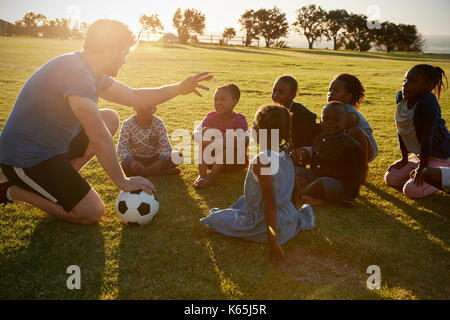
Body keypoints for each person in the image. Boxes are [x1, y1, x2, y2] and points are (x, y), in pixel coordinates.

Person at [0, 19, 212, 224]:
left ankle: (61, 180)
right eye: (125, 53)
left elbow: (134, 96)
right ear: (112, 51)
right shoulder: (77, 73)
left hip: (49, 147)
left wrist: (177, 89)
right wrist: (123, 181)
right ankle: (12, 190)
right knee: (92, 211)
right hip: (25, 159)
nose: (125, 60)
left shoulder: (89, 70)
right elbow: (98, 136)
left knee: (109, 118)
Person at [200, 105, 315, 265]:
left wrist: (272, 240)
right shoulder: (286, 155)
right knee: (243, 201)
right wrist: (292, 213)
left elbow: (270, 201)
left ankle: (260, 229)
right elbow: (293, 188)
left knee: (216, 219)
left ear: (258, 132)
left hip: (269, 225)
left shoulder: (263, 160)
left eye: (253, 126)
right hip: (288, 219)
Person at [385, 64, 450, 198]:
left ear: (427, 86)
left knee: (411, 190)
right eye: (405, 80)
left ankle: (443, 173)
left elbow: (427, 138)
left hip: (441, 156)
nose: (405, 85)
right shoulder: (402, 98)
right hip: (420, 155)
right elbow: (402, 129)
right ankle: (419, 167)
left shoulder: (427, 102)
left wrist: (422, 168)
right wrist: (404, 159)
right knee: (391, 178)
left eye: (413, 81)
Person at [292, 102, 364, 207]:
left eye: (336, 120)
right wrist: (304, 159)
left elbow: (355, 176)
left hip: (338, 185)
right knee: (296, 172)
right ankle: (310, 196)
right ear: (320, 120)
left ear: (344, 123)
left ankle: (297, 196)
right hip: (317, 176)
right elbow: (314, 164)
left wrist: (348, 196)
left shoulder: (350, 145)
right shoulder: (319, 138)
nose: (330, 123)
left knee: (320, 183)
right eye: (326, 118)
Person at [192, 84, 249, 189]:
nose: (218, 103)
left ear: (234, 102)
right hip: (212, 162)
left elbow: (245, 140)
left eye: (222, 99)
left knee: (228, 141)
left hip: (234, 163)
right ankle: (202, 175)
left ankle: (212, 176)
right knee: (204, 138)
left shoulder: (240, 119)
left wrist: (220, 142)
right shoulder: (211, 117)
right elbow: (195, 134)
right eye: (216, 99)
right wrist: (205, 140)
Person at [327, 73, 378, 182]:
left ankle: (363, 168)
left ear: (348, 96)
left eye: (336, 91)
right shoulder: (331, 110)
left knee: (354, 131)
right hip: (348, 147)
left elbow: (342, 129)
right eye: (329, 90)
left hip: (367, 149)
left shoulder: (349, 112)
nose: (330, 94)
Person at [117, 104, 183, 177]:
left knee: (178, 156)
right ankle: (160, 172)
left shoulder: (158, 122)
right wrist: (132, 162)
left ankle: (144, 173)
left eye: (149, 107)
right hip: (136, 159)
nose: (145, 111)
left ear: (155, 109)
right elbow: (121, 148)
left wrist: (159, 163)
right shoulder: (127, 124)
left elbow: (166, 147)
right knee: (122, 165)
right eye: (142, 107)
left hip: (155, 158)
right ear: (135, 107)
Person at [272, 75, 321, 149]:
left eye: (281, 92)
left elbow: (297, 145)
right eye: (274, 91)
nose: (275, 95)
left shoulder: (302, 115)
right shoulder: (273, 111)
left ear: (293, 95)